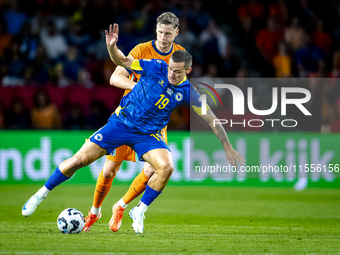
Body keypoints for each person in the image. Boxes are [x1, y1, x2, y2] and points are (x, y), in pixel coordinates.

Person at [22, 23, 245, 234]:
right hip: (121, 123)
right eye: (170, 69)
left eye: (177, 72)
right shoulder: (155, 65)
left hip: (147, 134)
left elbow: (211, 118)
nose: (171, 74)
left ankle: (138, 209)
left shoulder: (188, 92)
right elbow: (121, 61)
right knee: (78, 161)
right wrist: (112, 47)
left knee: (166, 167)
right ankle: (41, 194)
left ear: (188, 70)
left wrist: (227, 146)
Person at [83, 12, 186, 232]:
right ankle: (94, 211)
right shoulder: (141, 50)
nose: (163, 37)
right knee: (110, 170)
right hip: (130, 117)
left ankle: (121, 206)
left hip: (156, 123)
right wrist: (140, 89)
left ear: (176, 33)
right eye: (160, 32)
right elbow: (115, 77)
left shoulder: (180, 55)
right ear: (156, 30)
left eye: (168, 33)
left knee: (154, 168)